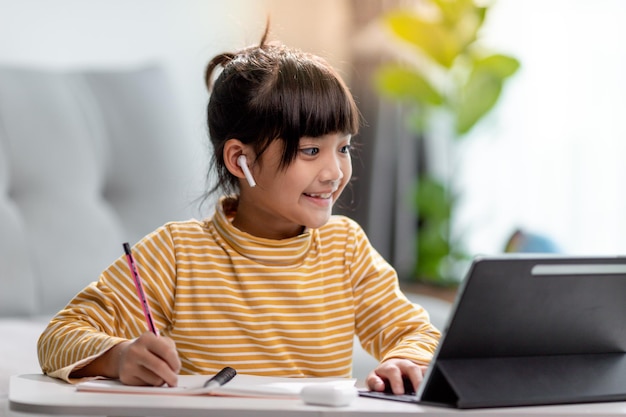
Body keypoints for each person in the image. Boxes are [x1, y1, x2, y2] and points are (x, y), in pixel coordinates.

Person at [37, 26, 440, 395]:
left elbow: (418, 333)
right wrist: (120, 357)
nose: (335, 172)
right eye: (311, 150)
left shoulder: (346, 247)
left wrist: (405, 360)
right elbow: (58, 338)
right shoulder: (176, 253)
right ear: (239, 159)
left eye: (344, 147)